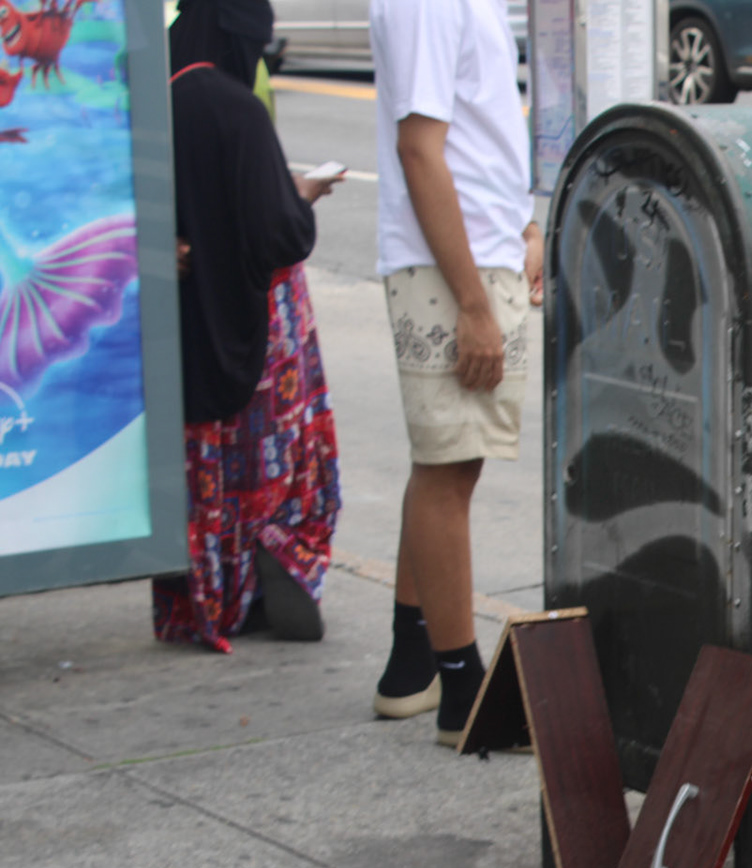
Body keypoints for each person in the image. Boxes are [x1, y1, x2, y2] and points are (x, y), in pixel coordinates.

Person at [368, 0, 543, 746]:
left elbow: (476, 130)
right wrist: (472, 302)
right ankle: (462, 689)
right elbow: (419, 149)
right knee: (447, 469)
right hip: (448, 268)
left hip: (477, 253)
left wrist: (522, 224)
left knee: (449, 465)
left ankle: (412, 665)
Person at [155, 0, 343, 652]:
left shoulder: (149, 100)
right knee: (273, 467)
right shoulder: (239, 110)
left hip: (182, 329)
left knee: (200, 470)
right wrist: (302, 196)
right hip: (261, 329)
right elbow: (279, 233)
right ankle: (275, 563)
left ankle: (202, 599)